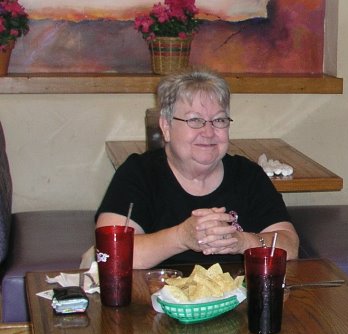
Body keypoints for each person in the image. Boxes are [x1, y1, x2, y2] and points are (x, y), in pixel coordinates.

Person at [96, 70, 299, 269]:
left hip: (239, 299)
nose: (209, 132)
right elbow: (111, 252)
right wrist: (181, 237)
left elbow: (289, 245)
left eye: (219, 120)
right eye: (195, 120)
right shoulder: (138, 173)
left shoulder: (248, 175)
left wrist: (242, 242)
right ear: (166, 127)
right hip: (153, 298)